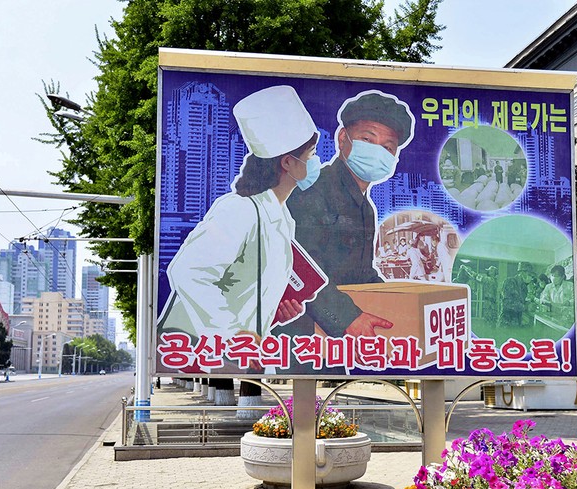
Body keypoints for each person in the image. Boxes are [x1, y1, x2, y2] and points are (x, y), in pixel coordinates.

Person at [158, 85, 319, 371]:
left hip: (238, 357)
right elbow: (186, 271)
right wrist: (233, 335)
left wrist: (274, 310)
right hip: (198, 351)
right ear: (287, 162)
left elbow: (244, 288)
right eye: (311, 155)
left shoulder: (283, 217)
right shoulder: (239, 209)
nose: (316, 162)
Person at [282, 90, 415, 349]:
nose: (378, 152)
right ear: (343, 138)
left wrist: (397, 301)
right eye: (367, 138)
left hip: (337, 341)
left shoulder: (365, 207)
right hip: (302, 333)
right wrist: (347, 319)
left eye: (388, 147)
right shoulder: (315, 190)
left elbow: (361, 273)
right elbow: (298, 265)